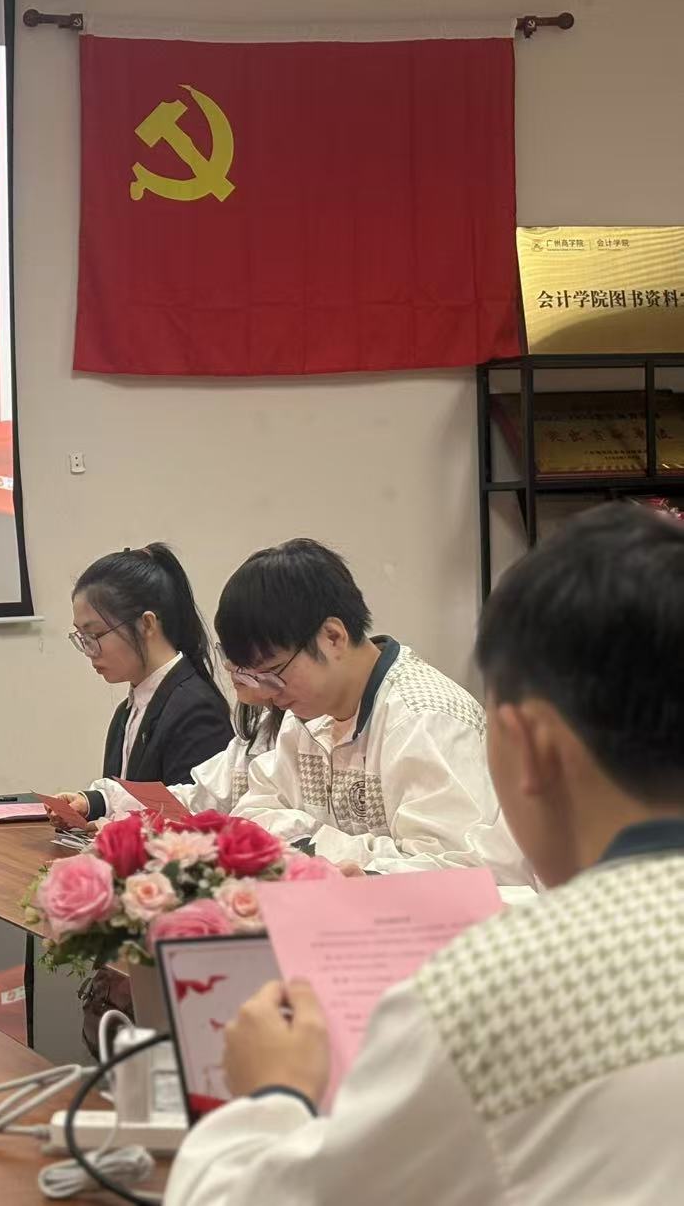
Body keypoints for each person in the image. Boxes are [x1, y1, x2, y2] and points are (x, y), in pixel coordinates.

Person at [164, 502, 684, 1205]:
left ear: (528, 745)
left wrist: (273, 1095)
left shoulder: (479, 995)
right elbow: (256, 808)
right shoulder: (302, 719)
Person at [209, 537, 528, 881]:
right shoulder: (306, 716)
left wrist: (315, 843)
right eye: (255, 678)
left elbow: (453, 870)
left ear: (333, 637)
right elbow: (253, 815)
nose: (267, 694)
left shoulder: (424, 718)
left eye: (274, 672)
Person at [54, 544, 233, 821]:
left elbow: (192, 821)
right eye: (81, 638)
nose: (89, 651)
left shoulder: (197, 709)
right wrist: (91, 811)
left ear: (147, 624)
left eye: (95, 635)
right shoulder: (128, 710)